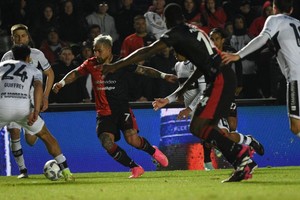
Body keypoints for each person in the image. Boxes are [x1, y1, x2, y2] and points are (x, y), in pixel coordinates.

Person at [101, 3, 258, 182]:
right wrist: (183, 89)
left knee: (198, 127)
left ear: (167, 21)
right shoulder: (195, 30)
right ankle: (243, 163)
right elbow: (201, 66)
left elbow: (146, 52)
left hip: (219, 79)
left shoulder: (176, 33)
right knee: (205, 128)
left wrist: (115, 65)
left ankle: (241, 153)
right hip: (222, 76)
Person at [52, 34, 175, 178]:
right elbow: (75, 74)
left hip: (122, 108)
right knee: (106, 141)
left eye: (99, 50)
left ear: (109, 49)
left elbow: (143, 70)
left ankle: (153, 152)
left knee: (132, 140)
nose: (96, 54)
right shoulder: (90, 64)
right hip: (104, 112)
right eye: (94, 50)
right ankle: (134, 167)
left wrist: (163, 76)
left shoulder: (121, 63)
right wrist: (61, 83)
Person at [222, 0, 300, 137]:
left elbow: (262, 38)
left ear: (275, 8)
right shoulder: (298, 23)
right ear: (291, 9)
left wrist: (238, 55)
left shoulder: (275, 19)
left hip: (296, 77)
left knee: (296, 127)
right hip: (295, 75)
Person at [0, 44, 74, 181]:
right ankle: (67, 173)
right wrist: (36, 110)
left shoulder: (2, 65)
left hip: (1, 107)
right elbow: (38, 86)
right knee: (46, 136)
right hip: (22, 108)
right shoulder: (33, 69)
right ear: (28, 57)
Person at [1, 24, 54, 178]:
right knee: (14, 132)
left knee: (31, 140)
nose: (20, 39)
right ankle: (23, 170)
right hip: (14, 100)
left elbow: (50, 74)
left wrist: (45, 96)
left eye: (23, 35)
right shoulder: (7, 57)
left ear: (28, 37)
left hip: (31, 102)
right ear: (12, 38)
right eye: (16, 36)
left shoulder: (37, 54)